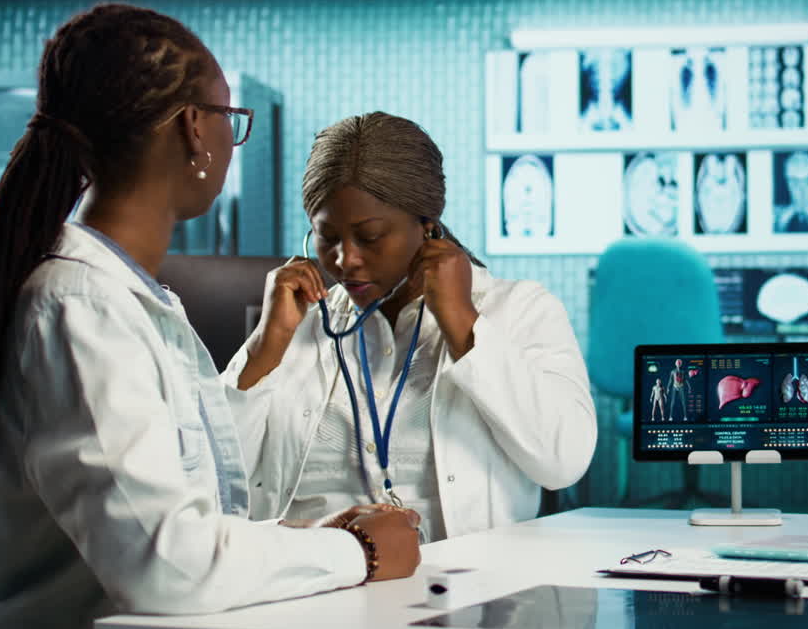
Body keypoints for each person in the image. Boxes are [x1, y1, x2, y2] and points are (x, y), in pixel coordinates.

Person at [0, 4, 420, 629]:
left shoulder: (123, 296)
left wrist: (307, 540)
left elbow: (173, 507)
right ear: (192, 129)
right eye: (229, 122)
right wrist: (360, 555)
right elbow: (164, 566)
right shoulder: (80, 304)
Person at [227, 111, 597, 542]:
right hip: (307, 586)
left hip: (464, 593)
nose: (346, 260)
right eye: (327, 238)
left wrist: (461, 323)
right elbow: (204, 478)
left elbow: (564, 461)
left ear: (426, 227)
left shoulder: (519, 310)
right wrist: (263, 351)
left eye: (369, 237)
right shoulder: (297, 327)